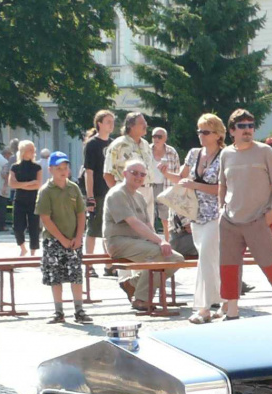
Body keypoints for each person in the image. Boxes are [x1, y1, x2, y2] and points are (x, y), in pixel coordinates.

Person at [219, 108, 272, 313]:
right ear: (232, 130)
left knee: (270, 263)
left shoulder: (265, 151)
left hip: (258, 220)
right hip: (230, 221)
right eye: (242, 126)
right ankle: (232, 310)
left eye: (251, 126)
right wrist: (221, 208)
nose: (248, 130)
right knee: (228, 266)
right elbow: (222, 184)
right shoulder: (226, 153)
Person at [103, 159, 173, 304]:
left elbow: (147, 225)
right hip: (118, 242)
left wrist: (159, 242)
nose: (138, 177)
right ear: (124, 174)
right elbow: (134, 223)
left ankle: (132, 284)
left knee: (175, 258)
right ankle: (141, 299)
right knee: (161, 255)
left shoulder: (139, 196)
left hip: (139, 242)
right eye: (134, 173)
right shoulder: (117, 193)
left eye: (142, 174)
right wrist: (160, 241)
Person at [182, 114, 227, 323]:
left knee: (205, 259)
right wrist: (165, 174)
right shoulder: (194, 154)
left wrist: (195, 185)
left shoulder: (225, 155)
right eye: (199, 131)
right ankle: (225, 302)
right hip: (196, 215)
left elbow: (222, 188)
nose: (201, 135)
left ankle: (204, 308)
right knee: (211, 260)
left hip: (216, 214)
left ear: (218, 134)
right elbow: (182, 180)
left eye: (206, 131)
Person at [35, 153, 89, 324]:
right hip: (53, 240)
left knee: (76, 275)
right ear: (50, 169)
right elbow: (45, 218)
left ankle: (79, 310)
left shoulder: (74, 188)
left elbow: (81, 214)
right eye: (58, 168)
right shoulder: (46, 190)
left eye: (65, 168)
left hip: (74, 240)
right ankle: (58, 311)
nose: (63, 171)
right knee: (55, 276)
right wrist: (62, 239)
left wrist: (78, 237)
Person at [81, 110, 115, 257]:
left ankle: (109, 263)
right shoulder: (92, 144)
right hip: (97, 192)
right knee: (93, 229)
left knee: (109, 229)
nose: (111, 125)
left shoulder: (114, 143)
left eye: (113, 122)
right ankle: (89, 263)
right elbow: (89, 172)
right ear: (99, 124)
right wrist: (90, 197)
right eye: (108, 122)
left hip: (111, 191)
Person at [8, 140, 42, 258]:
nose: (33, 152)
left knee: (34, 227)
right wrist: (29, 183)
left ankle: (33, 252)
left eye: (33, 150)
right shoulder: (15, 167)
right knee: (17, 227)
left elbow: (37, 185)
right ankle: (23, 248)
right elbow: (12, 184)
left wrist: (21, 185)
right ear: (23, 151)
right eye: (30, 150)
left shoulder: (37, 167)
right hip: (19, 200)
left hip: (33, 200)